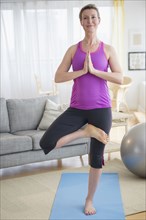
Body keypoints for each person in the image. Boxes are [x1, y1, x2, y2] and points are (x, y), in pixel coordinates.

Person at [40, 4, 123, 215]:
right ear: (81, 22)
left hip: (101, 109)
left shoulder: (108, 49)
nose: (90, 21)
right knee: (47, 142)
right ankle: (85, 131)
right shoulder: (73, 49)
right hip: (77, 109)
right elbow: (59, 77)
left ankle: (89, 200)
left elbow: (119, 78)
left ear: (99, 20)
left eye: (93, 17)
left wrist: (95, 71)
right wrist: (81, 71)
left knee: (96, 158)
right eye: (85, 18)